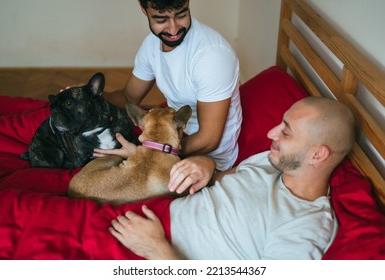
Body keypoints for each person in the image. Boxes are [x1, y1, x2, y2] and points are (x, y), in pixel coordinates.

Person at [108, 96, 356, 259]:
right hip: (146, 212)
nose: (271, 133)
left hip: (152, 249)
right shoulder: (270, 161)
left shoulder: (305, 228)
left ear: (317, 155)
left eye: (286, 133)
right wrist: (206, 164)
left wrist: (157, 251)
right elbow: (218, 178)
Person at [95, 0, 242, 171]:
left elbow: (209, 139)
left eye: (181, 15)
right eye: (160, 20)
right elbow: (128, 97)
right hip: (168, 139)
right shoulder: (151, 45)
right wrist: (89, 92)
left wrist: (147, 152)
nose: (173, 29)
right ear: (144, 10)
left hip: (207, 158)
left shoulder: (212, 56)